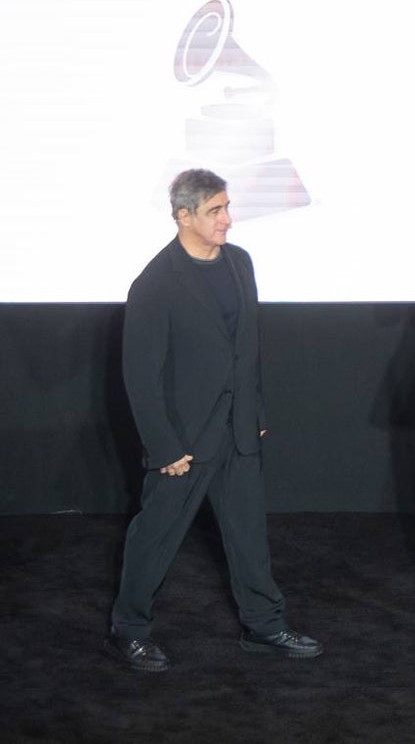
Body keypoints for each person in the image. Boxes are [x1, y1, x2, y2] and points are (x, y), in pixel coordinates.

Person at [104, 169, 321, 672]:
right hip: (183, 440)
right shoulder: (156, 283)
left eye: (227, 207)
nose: (228, 218)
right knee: (154, 538)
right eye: (215, 210)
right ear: (183, 216)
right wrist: (164, 447)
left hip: (238, 429)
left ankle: (264, 626)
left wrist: (256, 411)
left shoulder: (240, 264)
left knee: (248, 534)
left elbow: (248, 349)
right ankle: (129, 630)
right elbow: (141, 376)